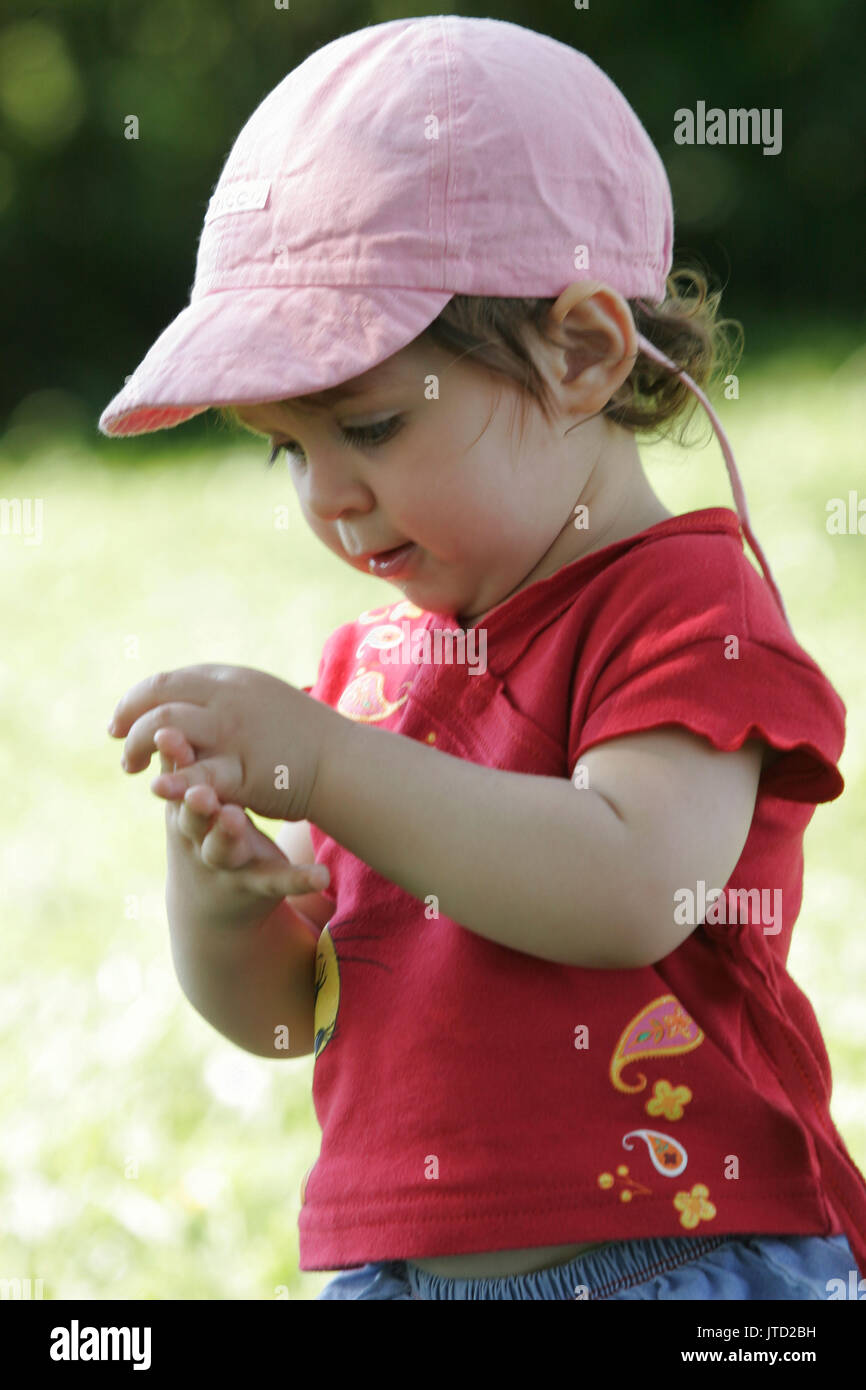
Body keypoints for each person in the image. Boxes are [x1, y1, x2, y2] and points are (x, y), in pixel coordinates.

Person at [101, 16, 866, 1300]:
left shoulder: (683, 605)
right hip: (391, 1272)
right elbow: (296, 1021)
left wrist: (333, 767)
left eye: (371, 424)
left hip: (678, 1259)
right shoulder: (372, 671)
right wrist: (227, 901)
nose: (326, 496)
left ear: (580, 352)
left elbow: (633, 885)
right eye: (286, 447)